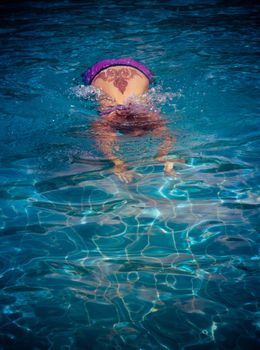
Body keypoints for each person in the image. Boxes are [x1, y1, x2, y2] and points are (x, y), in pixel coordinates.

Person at [83, 58, 181, 183]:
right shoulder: (108, 119)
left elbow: (168, 136)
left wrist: (163, 155)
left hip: (138, 69)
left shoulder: (147, 115)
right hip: (98, 72)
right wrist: (117, 163)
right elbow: (102, 142)